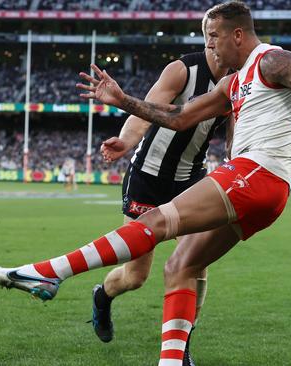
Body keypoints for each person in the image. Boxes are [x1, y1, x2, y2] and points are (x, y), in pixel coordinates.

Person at [0, 2, 291, 364]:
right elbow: (178, 118)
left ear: (237, 35)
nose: (210, 45)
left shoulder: (271, 59)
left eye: (214, 37)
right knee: (182, 265)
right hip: (263, 189)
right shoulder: (232, 83)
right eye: (206, 38)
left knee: (157, 223)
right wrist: (123, 101)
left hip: (255, 174)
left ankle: (49, 273)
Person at [91, 46, 230, 366]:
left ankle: (181, 346)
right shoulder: (182, 70)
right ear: (210, 41)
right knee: (136, 276)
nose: (215, 43)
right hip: (148, 179)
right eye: (211, 37)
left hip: (192, 181)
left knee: (196, 263)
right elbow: (145, 109)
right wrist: (125, 141)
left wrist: (234, 164)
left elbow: (233, 135)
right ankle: (103, 295)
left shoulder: (238, 80)